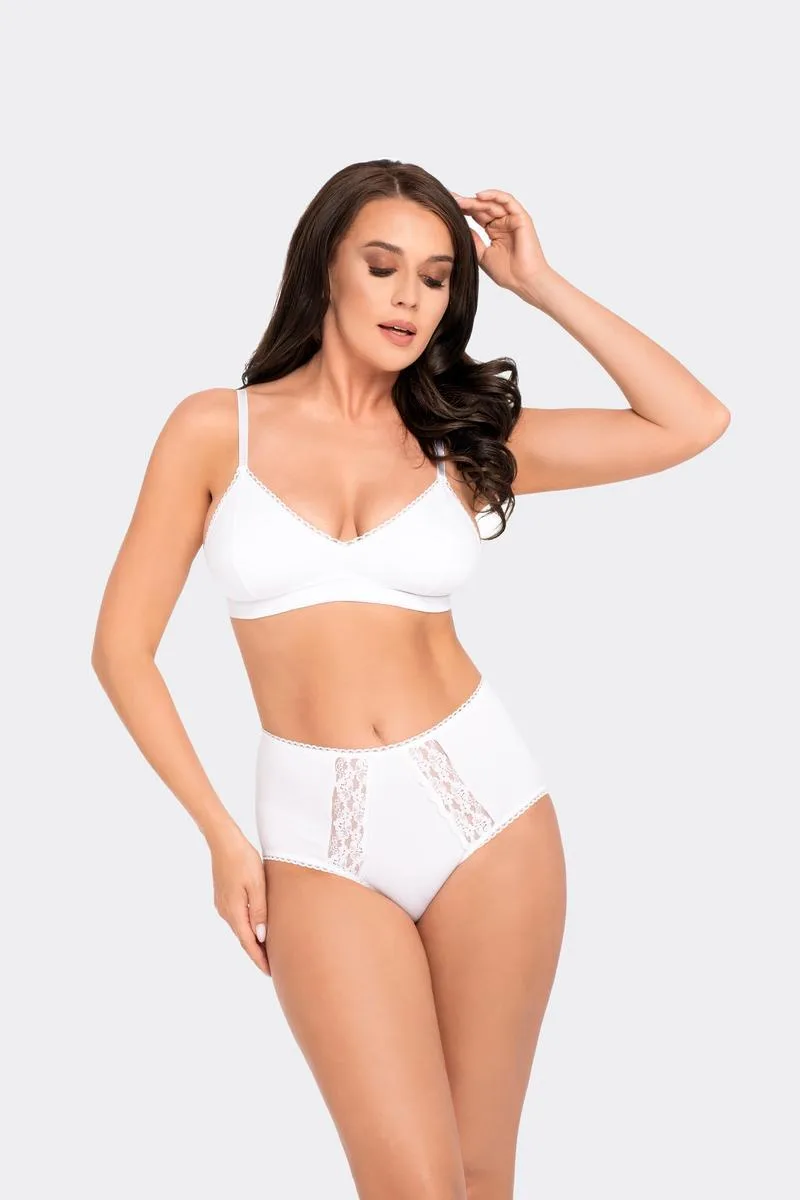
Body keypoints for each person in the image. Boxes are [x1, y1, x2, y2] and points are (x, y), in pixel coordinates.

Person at [91, 159, 730, 1199]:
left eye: (435, 278)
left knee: (479, 1176)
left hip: (487, 814)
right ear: (324, 269)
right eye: (382, 266)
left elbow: (689, 422)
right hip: (315, 836)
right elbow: (122, 650)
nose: (408, 298)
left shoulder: (456, 440)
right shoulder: (215, 430)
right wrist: (221, 837)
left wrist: (540, 284)